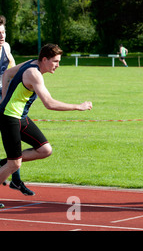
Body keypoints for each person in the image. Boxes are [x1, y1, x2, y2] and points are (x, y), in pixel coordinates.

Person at [0, 44, 92, 208]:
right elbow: (49, 103)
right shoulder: (34, 73)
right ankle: (9, 163)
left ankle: (5, 163)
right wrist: (78, 106)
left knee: (45, 150)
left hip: (21, 116)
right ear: (44, 59)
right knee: (14, 164)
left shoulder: (31, 62)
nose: (58, 65)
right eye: (55, 61)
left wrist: (4, 97)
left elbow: (7, 73)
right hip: (9, 117)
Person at [0, 15, 35, 196]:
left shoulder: (5, 47)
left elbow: (11, 70)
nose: (1, 36)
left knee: (14, 142)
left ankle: (15, 179)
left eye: (3, 32)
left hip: (4, 101)